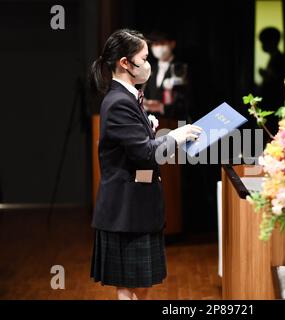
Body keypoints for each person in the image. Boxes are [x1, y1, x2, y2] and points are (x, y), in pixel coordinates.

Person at [89, 29, 202, 300]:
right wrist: (173, 136)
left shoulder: (130, 97)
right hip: (125, 210)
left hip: (138, 208)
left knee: (142, 285)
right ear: (125, 63)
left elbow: (137, 143)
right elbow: (144, 153)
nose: (149, 64)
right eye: (144, 58)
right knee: (128, 288)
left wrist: (149, 129)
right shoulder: (118, 102)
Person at [143, 31, 191, 121]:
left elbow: (186, 100)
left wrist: (162, 107)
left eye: (162, 43)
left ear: (172, 44)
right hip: (155, 123)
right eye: (155, 44)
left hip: (177, 122)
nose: (158, 47)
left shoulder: (181, 68)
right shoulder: (150, 68)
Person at [258, 27, 285, 136]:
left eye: (264, 42)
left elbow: (277, 81)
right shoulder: (274, 58)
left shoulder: (279, 59)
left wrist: (266, 75)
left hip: (274, 105)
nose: (263, 45)